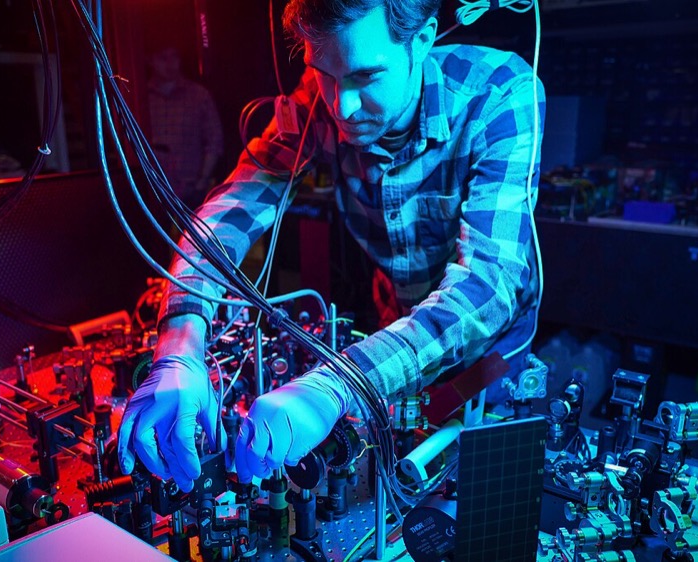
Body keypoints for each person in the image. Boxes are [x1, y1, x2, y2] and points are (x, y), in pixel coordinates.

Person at [118, 0, 544, 491]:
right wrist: (180, 343)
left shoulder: (501, 94)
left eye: (365, 77)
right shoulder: (314, 103)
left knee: (472, 494)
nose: (342, 107)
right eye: (324, 74)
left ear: (423, 39)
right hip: (392, 337)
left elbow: (488, 285)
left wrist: (336, 383)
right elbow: (231, 212)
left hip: (489, 360)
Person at [146, 44, 224, 210]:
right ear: (151, 60)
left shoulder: (198, 95)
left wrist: (202, 181)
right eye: (163, 58)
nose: (170, 63)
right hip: (152, 188)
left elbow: (214, 139)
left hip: (191, 190)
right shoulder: (141, 97)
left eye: (174, 56)